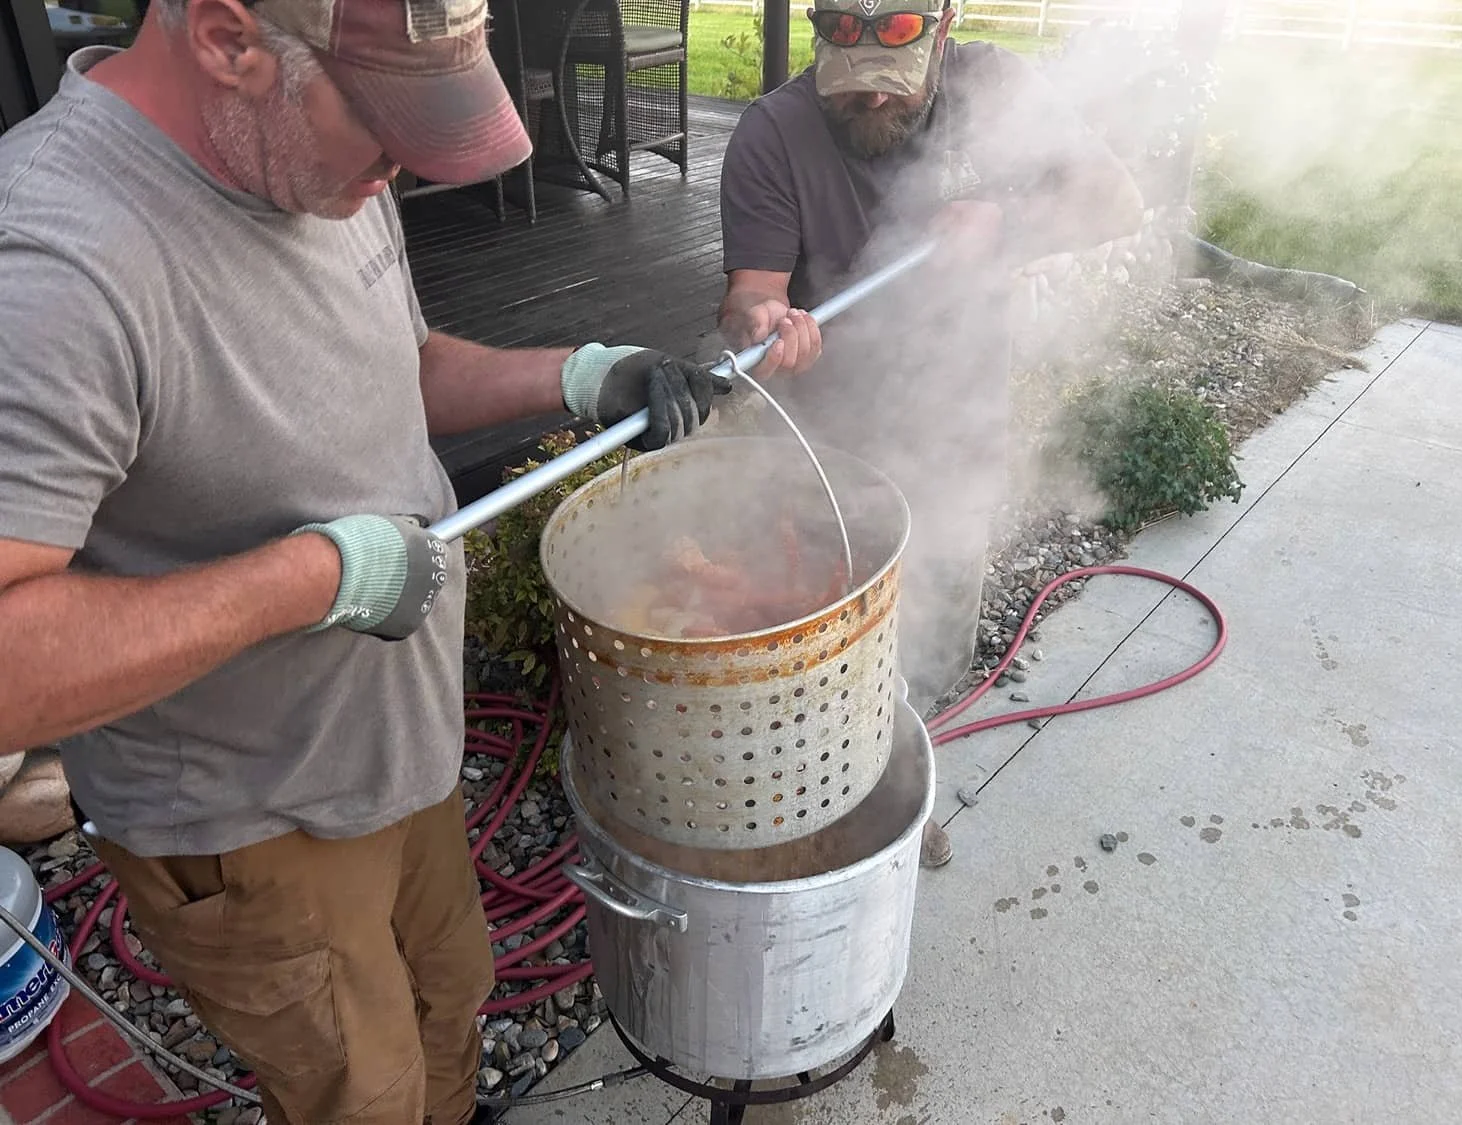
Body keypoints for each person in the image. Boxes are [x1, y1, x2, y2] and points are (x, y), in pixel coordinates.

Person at [0, 1, 725, 1122]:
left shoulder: (309, 157)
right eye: (385, 127)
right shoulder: (52, 261)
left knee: (449, 1007)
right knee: (361, 1093)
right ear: (229, 37)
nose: (402, 171)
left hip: (397, 750)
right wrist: (314, 581)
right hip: (255, 821)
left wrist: (578, 375)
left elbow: (403, 363)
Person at [716, 0, 1146, 867]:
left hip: (955, 432)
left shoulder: (997, 87)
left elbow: (1119, 202)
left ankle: (898, 781)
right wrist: (761, 317)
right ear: (818, 32)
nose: (870, 103)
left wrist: (1007, 223)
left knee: (933, 640)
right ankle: (812, 804)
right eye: (850, 88)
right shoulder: (774, 132)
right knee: (818, 652)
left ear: (939, 30)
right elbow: (746, 299)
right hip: (824, 451)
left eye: (890, 88)